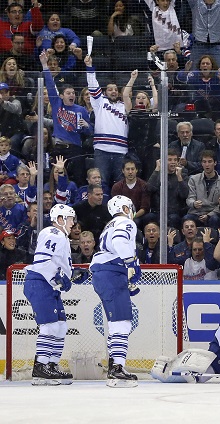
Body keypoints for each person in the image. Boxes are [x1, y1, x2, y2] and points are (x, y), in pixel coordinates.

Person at [90, 195, 142, 387]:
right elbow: (120, 242)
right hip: (111, 273)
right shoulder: (124, 222)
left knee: (116, 323)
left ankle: (115, 365)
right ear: (126, 208)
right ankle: (117, 368)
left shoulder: (110, 224)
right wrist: (131, 264)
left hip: (104, 274)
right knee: (122, 322)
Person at [22, 204, 77, 385]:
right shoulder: (53, 233)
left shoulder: (61, 237)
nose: (73, 223)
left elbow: (55, 263)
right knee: (50, 326)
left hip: (49, 285)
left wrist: (71, 275)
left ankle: (51, 365)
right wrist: (59, 277)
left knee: (61, 326)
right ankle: (41, 367)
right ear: (60, 219)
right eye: (70, 219)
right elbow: (42, 260)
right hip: (40, 283)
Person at [39, 51, 92, 185]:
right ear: (62, 96)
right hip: (59, 147)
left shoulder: (81, 110)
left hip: (75, 148)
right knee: (56, 177)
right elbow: (51, 85)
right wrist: (45, 65)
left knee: (79, 177)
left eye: (73, 93)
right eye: (68, 93)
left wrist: (86, 125)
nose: (72, 95)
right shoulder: (57, 104)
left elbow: (90, 132)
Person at [84, 54, 131, 187]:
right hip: (102, 150)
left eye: (116, 90)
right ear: (105, 92)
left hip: (121, 151)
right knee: (101, 183)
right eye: (110, 90)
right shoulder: (100, 103)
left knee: (120, 184)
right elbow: (93, 85)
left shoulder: (125, 106)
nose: (114, 92)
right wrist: (89, 67)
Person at [185, 150, 220, 229]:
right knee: (187, 219)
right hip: (196, 213)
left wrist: (209, 215)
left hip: (213, 214)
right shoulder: (193, 179)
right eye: (204, 162)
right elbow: (189, 198)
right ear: (201, 163)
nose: (207, 165)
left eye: (209, 161)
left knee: (215, 219)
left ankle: (213, 241)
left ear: (215, 163)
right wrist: (194, 203)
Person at [110, 160, 150, 227]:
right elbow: (115, 206)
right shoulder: (117, 187)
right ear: (123, 170)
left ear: (136, 170)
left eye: (132, 169)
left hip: (138, 216)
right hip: (121, 216)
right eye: (128, 169)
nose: (130, 172)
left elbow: (144, 208)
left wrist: (132, 216)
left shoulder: (143, 185)